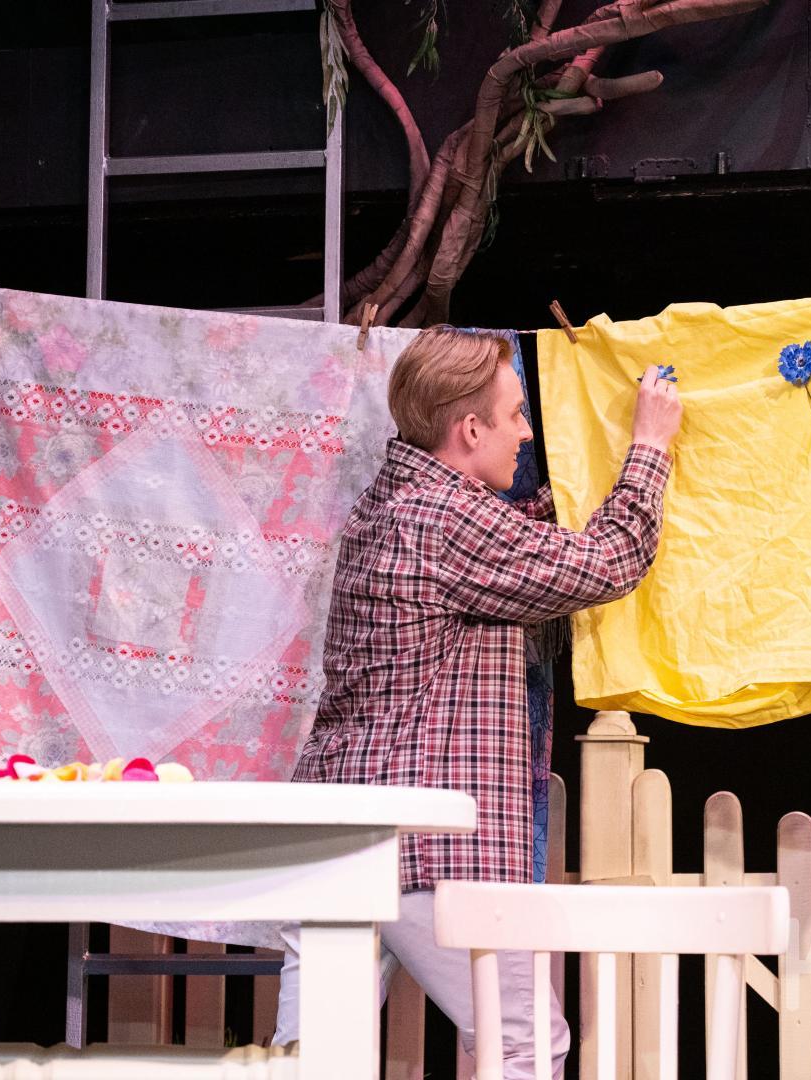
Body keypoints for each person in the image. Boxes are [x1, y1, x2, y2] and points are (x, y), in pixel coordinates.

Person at [273, 326, 681, 1077]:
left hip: (339, 837)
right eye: (516, 414)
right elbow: (607, 561)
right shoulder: (444, 518)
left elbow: (509, 550)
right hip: (420, 844)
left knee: (313, 1061)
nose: (526, 433)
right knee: (523, 1044)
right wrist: (649, 446)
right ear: (469, 429)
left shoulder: (391, 504)